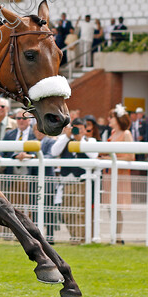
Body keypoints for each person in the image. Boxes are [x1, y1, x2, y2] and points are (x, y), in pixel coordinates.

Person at [51, 117, 97, 244]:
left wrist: (80, 139)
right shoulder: (64, 140)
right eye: (75, 128)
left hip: (81, 182)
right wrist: (67, 136)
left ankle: (80, 237)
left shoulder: (90, 140)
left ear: (84, 129)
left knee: (79, 211)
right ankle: (73, 236)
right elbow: (54, 151)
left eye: (80, 129)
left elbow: (94, 155)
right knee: (67, 212)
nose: (77, 131)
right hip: (66, 182)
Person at [102, 104, 134, 244]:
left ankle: (118, 236)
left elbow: (130, 156)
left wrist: (110, 159)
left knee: (117, 206)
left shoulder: (126, 134)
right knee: (111, 206)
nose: (109, 119)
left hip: (120, 175)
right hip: (110, 174)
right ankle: (114, 234)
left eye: (112, 117)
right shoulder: (113, 134)